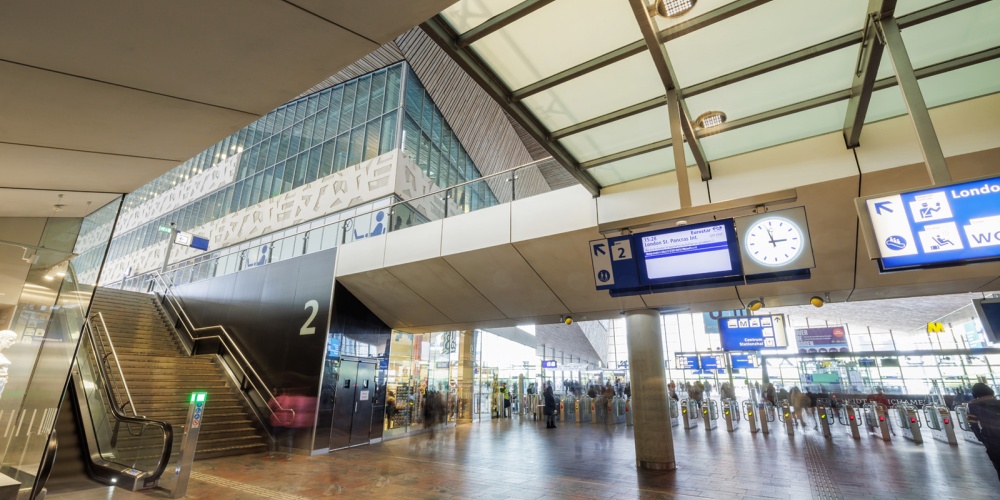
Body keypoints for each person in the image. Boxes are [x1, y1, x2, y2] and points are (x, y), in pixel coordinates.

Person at [267, 387, 317, 460]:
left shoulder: (276, 399)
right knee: (289, 438)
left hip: (277, 420)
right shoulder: (290, 399)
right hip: (291, 420)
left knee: (272, 436)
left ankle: (271, 453)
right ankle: (288, 455)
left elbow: (269, 407)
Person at [967, 383, 1000, 481]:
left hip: (990, 438)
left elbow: (973, 424)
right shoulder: (998, 402)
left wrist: (980, 437)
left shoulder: (972, 406)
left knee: (998, 464)